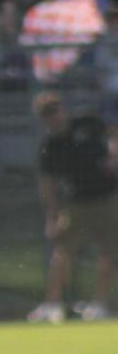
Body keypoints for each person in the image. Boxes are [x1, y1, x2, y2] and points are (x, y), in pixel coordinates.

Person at [29, 92, 118, 323]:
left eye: (56, 111)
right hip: (75, 203)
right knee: (62, 253)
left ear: (63, 109)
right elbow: (47, 186)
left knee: (108, 253)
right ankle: (52, 304)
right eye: (48, 115)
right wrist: (52, 216)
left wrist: (113, 153)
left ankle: (100, 304)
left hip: (106, 198)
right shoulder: (49, 146)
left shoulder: (87, 122)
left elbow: (113, 133)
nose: (55, 118)